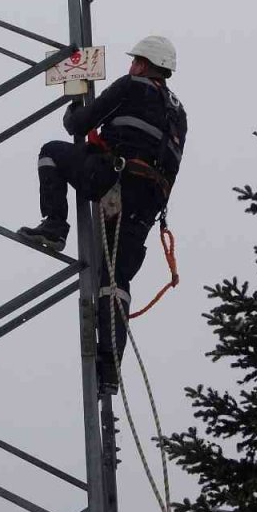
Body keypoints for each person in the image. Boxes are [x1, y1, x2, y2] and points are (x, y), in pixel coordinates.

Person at [17, 35, 187, 389]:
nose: (131, 66)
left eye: (134, 61)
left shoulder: (132, 86)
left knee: (51, 152)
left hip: (115, 180)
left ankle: (54, 225)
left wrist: (73, 107)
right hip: (147, 204)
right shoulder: (178, 113)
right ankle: (110, 369)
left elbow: (78, 126)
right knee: (115, 279)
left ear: (142, 63)